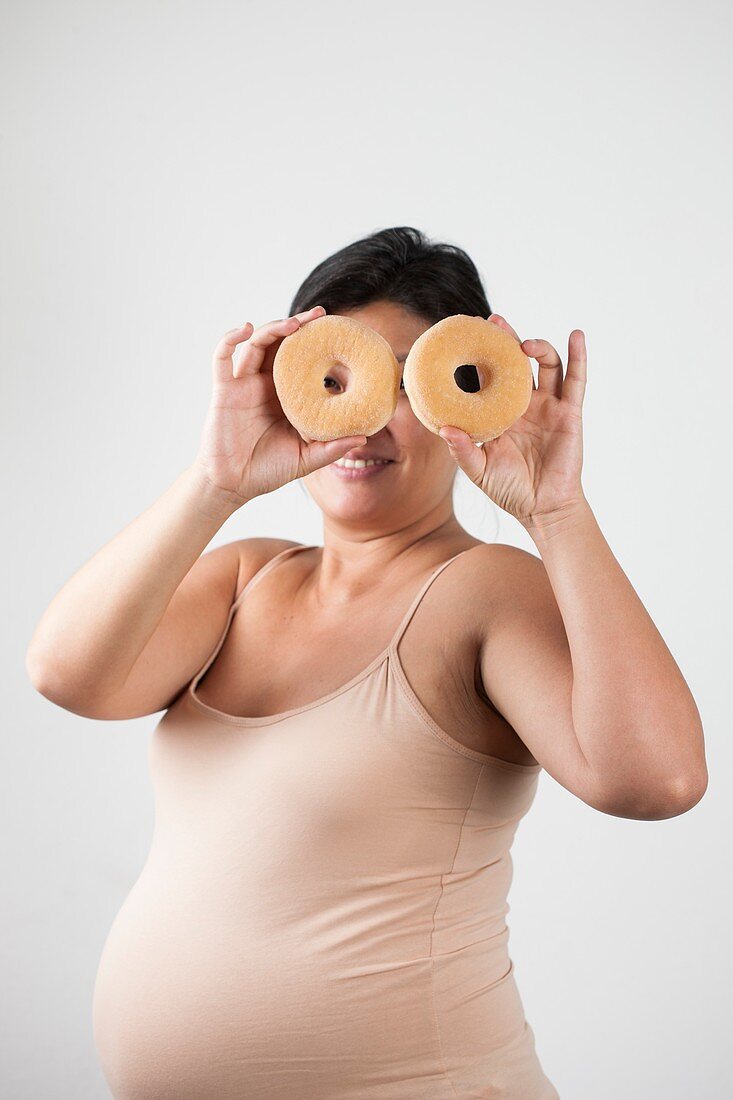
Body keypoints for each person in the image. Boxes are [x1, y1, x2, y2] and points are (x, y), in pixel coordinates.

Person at [26, 226, 708, 1099]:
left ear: (462, 395)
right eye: (339, 377)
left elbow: (655, 781)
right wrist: (217, 480)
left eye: (401, 384)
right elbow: (66, 674)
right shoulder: (244, 577)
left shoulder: (484, 590)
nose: (368, 419)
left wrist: (557, 512)